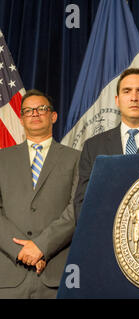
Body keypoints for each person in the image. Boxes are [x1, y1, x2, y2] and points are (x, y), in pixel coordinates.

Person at [0, 90, 80, 298]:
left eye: (41, 109)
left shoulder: (76, 159)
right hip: (8, 275)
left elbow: (76, 209)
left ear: (53, 116)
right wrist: (21, 251)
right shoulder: (2, 159)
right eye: (28, 111)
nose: (35, 114)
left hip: (55, 276)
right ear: (21, 119)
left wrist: (42, 246)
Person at [74, 68, 139, 220]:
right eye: (127, 91)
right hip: (105, 235)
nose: (134, 97)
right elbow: (82, 203)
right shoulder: (94, 146)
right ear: (117, 100)